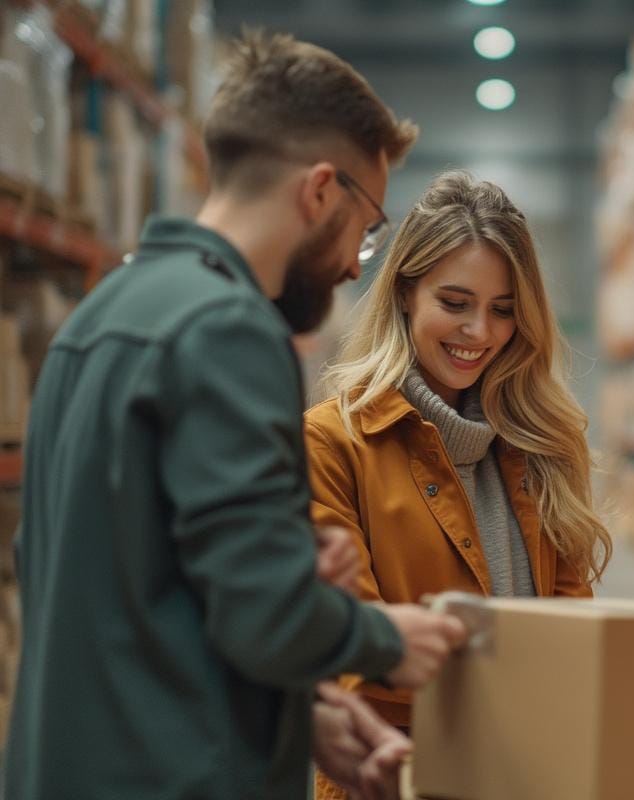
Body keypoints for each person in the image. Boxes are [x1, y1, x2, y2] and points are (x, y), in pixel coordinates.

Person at [4, 32, 466, 800]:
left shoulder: (98, 317)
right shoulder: (228, 329)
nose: (358, 261)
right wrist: (383, 639)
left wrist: (300, 710)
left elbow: (98, 579)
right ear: (321, 191)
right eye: (369, 226)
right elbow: (264, 613)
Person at [304, 171, 612, 796]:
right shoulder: (333, 444)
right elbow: (343, 646)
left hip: (535, 773)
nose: (480, 333)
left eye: (503, 310)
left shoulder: (545, 446)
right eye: (455, 303)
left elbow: (577, 624)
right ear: (404, 294)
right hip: (396, 778)